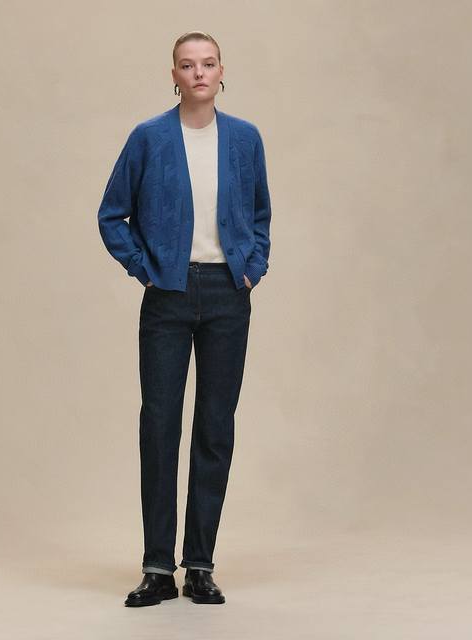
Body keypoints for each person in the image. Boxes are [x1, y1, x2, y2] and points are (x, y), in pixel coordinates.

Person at [97, 31, 272, 606]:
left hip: (227, 294)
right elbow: (111, 214)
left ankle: (199, 565)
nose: (199, 73)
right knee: (159, 427)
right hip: (168, 295)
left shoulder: (245, 139)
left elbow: (261, 214)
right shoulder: (149, 138)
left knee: (215, 427)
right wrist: (144, 269)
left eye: (208, 63)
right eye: (187, 65)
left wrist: (252, 267)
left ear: (222, 72)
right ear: (173, 75)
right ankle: (156, 568)